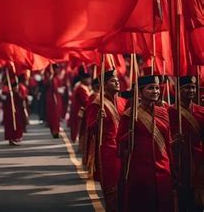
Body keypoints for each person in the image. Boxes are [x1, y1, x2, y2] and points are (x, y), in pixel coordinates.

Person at [117, 75, 175, 212]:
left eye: (156, 88)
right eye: (151, 88)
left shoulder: (163, 112)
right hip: (140, 169)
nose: (155, 91)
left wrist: (172, 166)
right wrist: (129, 135)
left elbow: (167, 141)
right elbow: (119, 143)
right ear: (141, 91)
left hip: (163, 167)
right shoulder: (130, 114)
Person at [86, 70, 126, 211]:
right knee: (112, 189)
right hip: (108, 150)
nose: (116, 82)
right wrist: (97, 120)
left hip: (125, 149)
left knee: (125, 188)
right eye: (112, 81)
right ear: (103, 84)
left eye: (117, 80)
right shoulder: (98, 104)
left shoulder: (123, 102)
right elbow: (90, 128)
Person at [168, 75, 204, 211]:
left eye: (193, 87)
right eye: (187, 87)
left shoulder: (201, 112)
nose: (192, 90)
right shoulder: (169, 111)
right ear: (178, 90)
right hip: (178, 162)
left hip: (198, 163)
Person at [3, 77, 28, 146]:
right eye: (15, 87)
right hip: (9, 112)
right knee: (10, 125)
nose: (16, 88)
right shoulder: (9, 94)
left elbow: (21, 99)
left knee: (18, 124)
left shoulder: (17, 93)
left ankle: (16, 137)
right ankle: (11, 138)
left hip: (17, 111)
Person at [70, 72, 91, 143]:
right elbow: (85, 101)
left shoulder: (82, 86)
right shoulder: (81, 88)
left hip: (79, 108)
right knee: (78, 124)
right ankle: (76, 138)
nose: (89, 80)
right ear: (83, 79)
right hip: (79, 109)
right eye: (88, 79)